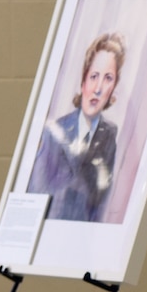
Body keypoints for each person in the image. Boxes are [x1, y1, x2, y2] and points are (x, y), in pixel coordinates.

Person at [28, 33, 124, 222]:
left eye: (108, 78)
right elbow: (36, 193)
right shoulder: (55, 131)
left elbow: (100, 202)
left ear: (113, 87)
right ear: (83, 81)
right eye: (94, 76)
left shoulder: (109, 134)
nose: (98, 88)